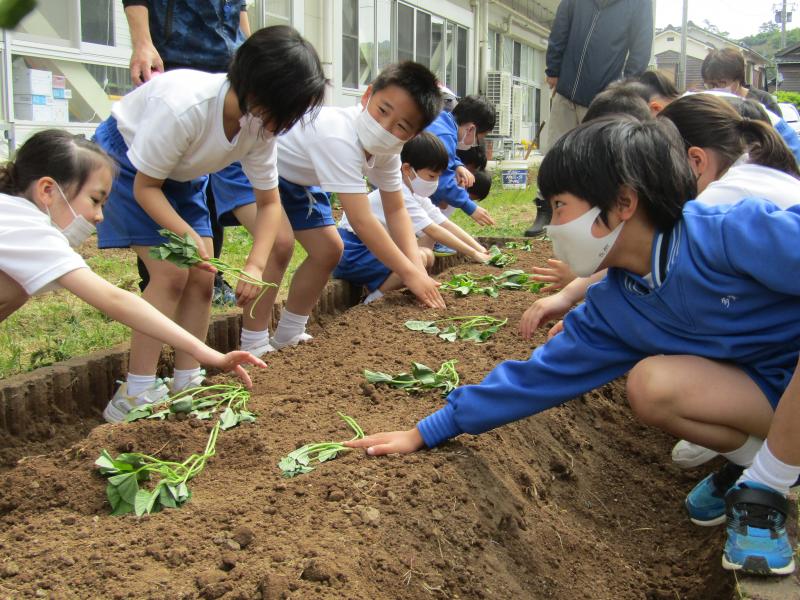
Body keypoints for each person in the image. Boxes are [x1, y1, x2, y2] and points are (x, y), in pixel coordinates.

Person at [347, 115, 800, 575]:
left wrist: (771, 479)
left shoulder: (728, 234)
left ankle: (766, 487)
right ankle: (764, 461)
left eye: (560, 206)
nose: (554, 224)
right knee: (651, 385)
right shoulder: (618, 306)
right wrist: (428, 430)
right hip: (769, 395)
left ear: (623, 202)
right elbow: (537, 378)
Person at [93, 26, 327, 422]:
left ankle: (187, 381)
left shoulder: (259, 125)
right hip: (128, 164)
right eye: (286, 111)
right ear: (257, 90)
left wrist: (255, 265)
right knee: (170, 274)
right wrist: (185, 233)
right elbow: (146, 187)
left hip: (183, 174)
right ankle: (134, 392)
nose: (287, 124)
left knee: (202, 277)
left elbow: (269, 202)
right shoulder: (185, 108)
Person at [0, 130, 265, 391]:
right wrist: (206, 353)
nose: (99, 216)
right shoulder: (29, 230)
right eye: (95, 200)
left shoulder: (15, 217)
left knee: (16, 288)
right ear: (47, 190)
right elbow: (116, 300)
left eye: (103, 204)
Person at [521, 92, 800, 337]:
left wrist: (579, 299)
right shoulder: (743, 180)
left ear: (696, 160)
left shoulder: (718, 209)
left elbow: (645, 259)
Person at [238, 61, 446, 355]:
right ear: (367, 95)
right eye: (382, 110)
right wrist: (411, 275)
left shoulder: (388, 152)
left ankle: (289, 333)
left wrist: (416, 271)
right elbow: (362, 220)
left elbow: (396, 211)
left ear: (413, 134)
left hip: (297, 181)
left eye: (401, 126)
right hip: (251, 165)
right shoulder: (339, 135)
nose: (385, 126)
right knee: (279, 244)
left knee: (329, 250)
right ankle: (253, 343)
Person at [123, 0, 252, 306]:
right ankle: (160, 273)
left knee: (205, 183)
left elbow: (239, 8)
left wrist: (249, 53)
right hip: (176, 56)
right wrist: (142, 42)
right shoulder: (179, 104)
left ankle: (208, 272)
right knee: (162, 174)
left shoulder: (254, 118)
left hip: (229, 68)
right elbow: (147, 184)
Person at [526, 0, 654, 237]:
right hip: (567, 90)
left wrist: (625, 88)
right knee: (555, 152)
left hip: (604, 97)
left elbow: (641, 46)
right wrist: (553, 68)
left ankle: (593, 215)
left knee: (596, 161)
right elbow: (560, 27)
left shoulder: (639, 3)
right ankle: (546, 208)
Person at [333, 132, 490, 303]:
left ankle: (394, 286)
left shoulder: (415, 194)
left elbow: (444, 223)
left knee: (427, 255)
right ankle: (373, 300)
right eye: (431, 176)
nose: (435, 182)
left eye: (438, 177)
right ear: (407, 169)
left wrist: (479, 250)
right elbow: (434, 229)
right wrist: (473, 253)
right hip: (353, 251)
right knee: (419, 258)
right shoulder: (400, 193)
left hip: (368, 249)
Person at [426, 95, 496, 226]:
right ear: (471, 129)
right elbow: (443, 182)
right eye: (479, 139)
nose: (476, 144)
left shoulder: (442, 122)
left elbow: (448, 155)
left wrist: (457, 165)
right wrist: (470, 207)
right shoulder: (445, 137)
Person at [701, 47, 780, 116]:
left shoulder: (764, 100)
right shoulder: (704, 103)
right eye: (710, 85)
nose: (715, 89)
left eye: (722, 83)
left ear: (738, 78)